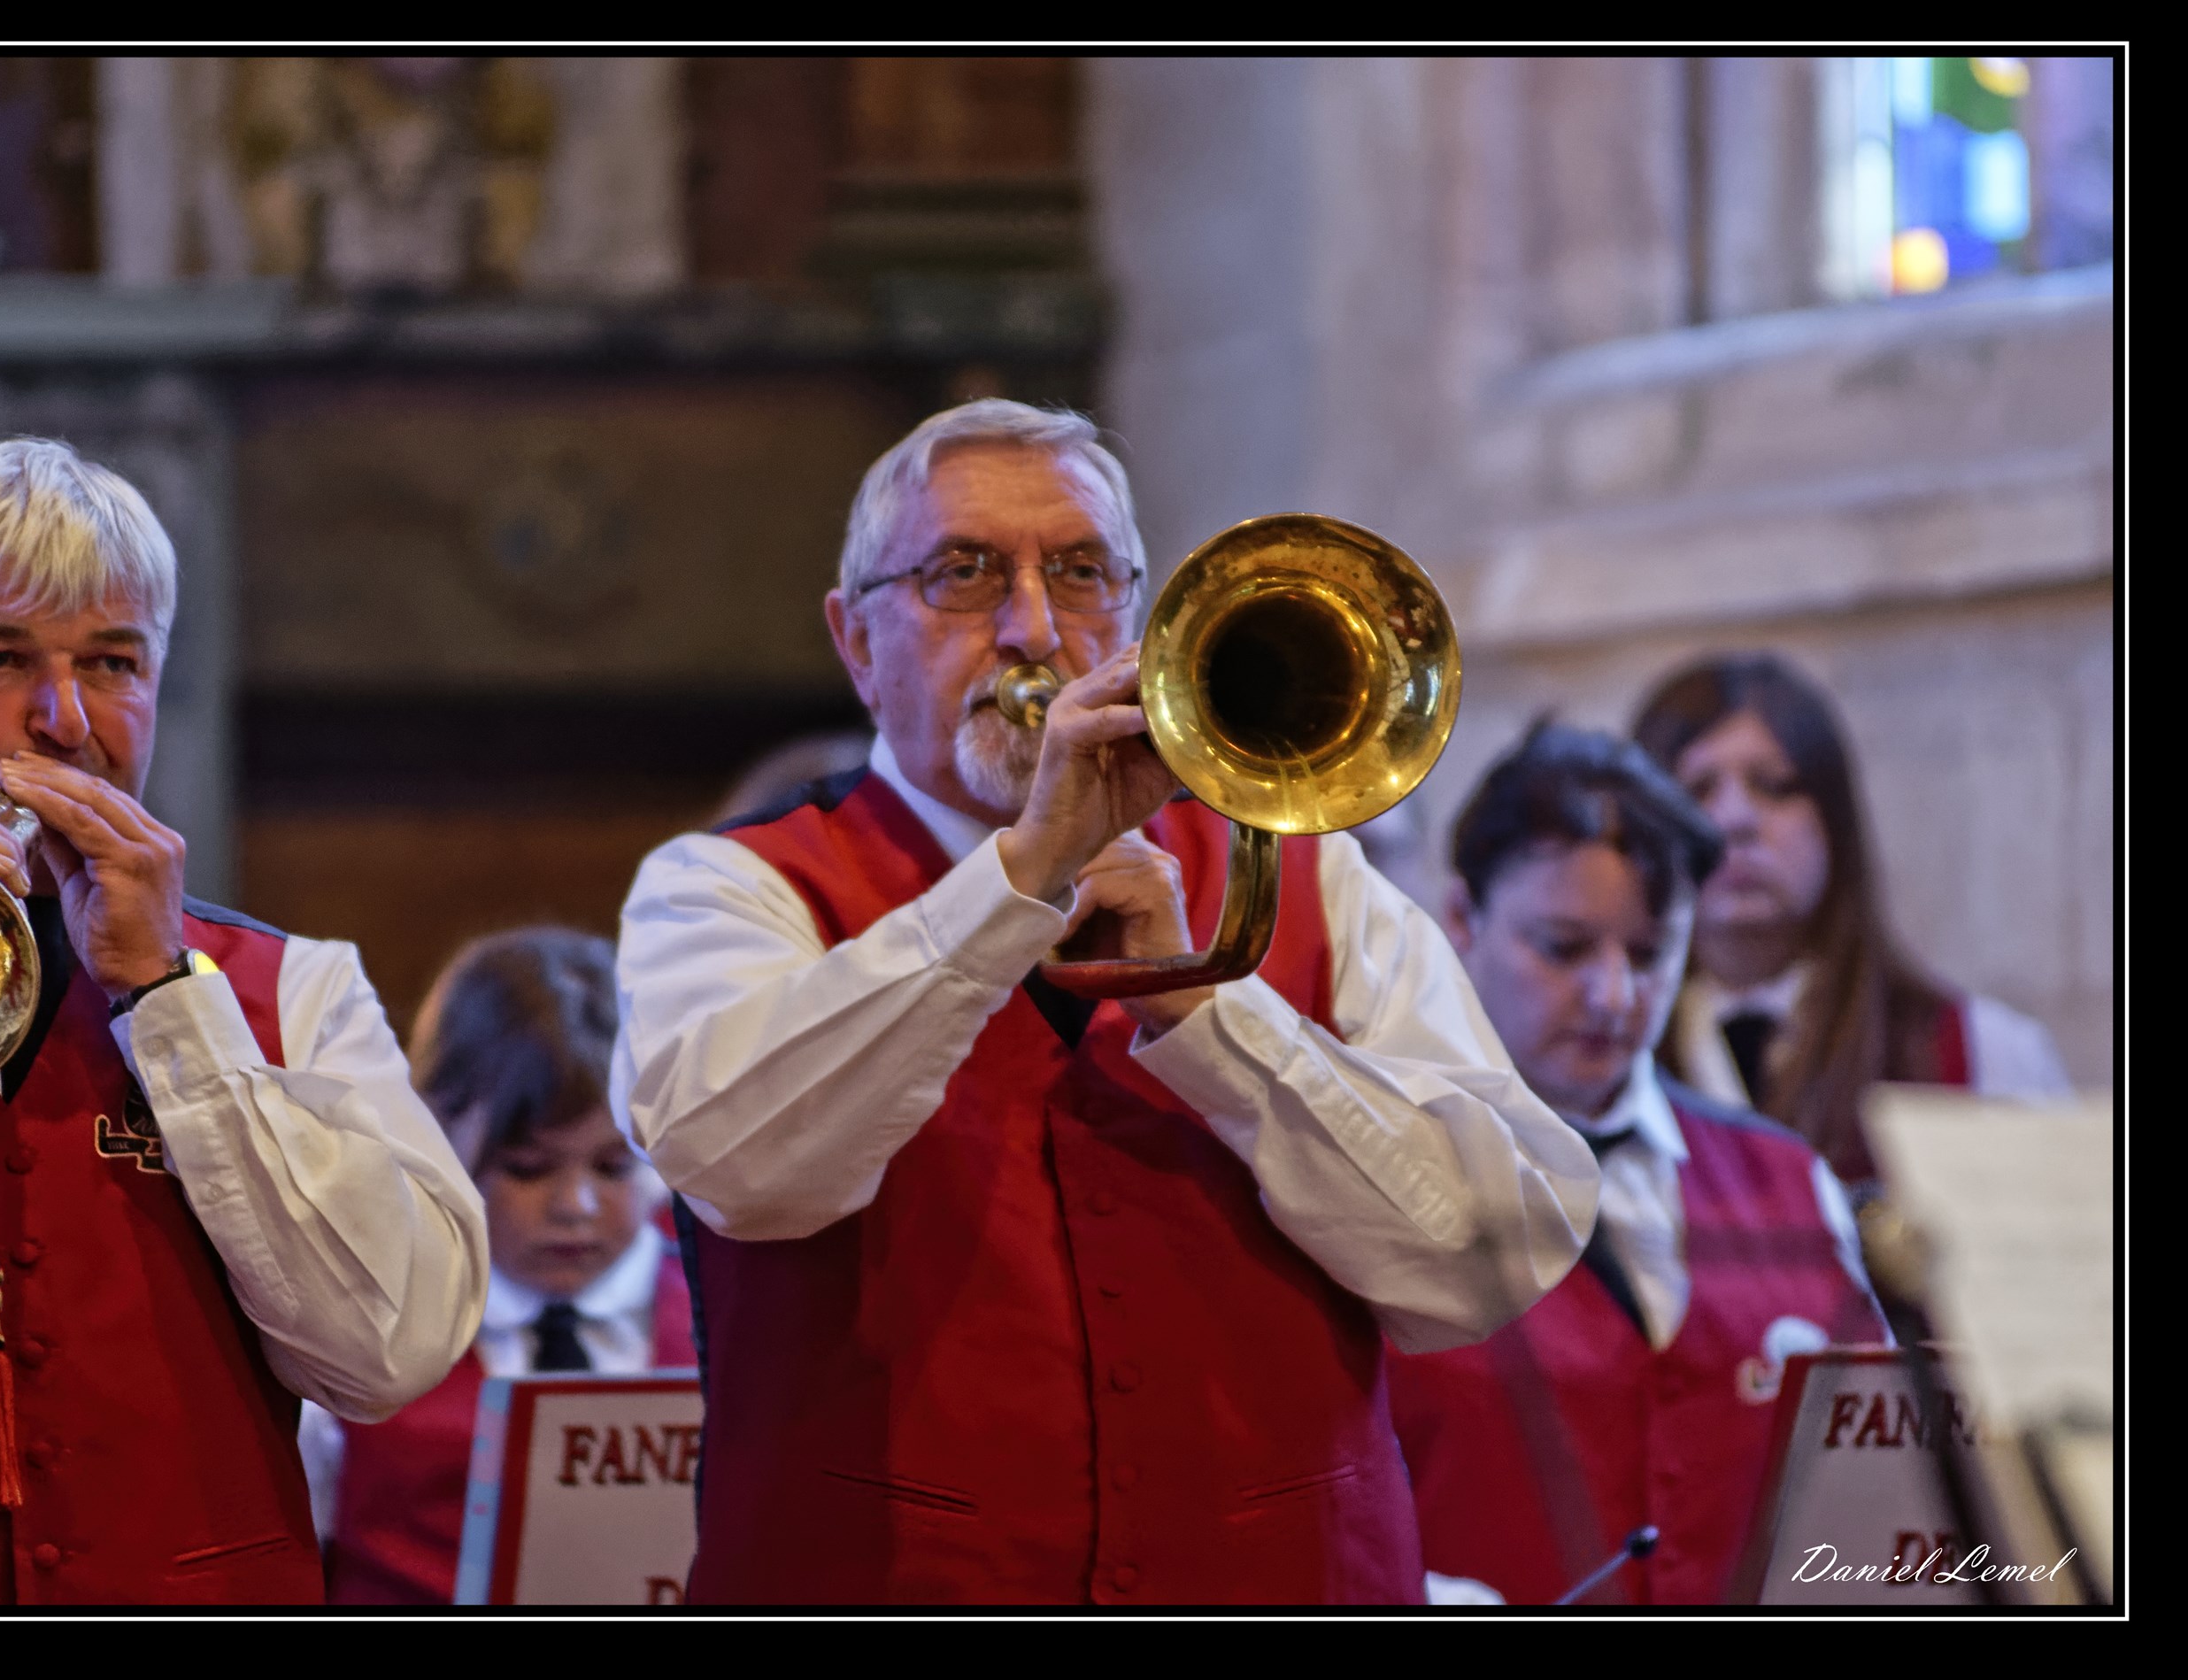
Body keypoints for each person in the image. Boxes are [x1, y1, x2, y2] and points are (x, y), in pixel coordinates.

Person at [609, 398, 1597, 1606]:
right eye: (962, 575)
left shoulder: (1309, 873)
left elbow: (1489, 1264)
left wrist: (1207, 1015)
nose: (1034, 631)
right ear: (856, 643)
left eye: (1081, 574)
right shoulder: (727, 887)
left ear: (1136, 614)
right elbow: (744, 1165)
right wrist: (1018, 880)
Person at [0, 439, 489, 1605]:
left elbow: (389, 1353)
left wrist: (170, 1000)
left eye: (113, 663)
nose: (64, 719)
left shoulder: (296, 983)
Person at [1386, 723, 1889, 1607]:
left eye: (1652, 954)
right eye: (1565, 946)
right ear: (1461, 919)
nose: (1614, 995)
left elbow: (1882, 1488)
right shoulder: (1368, 1176)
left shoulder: (1791, 1182)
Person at [304, 927, 694, 1604]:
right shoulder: (352, 1333)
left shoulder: (728, 1319)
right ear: (432, 1129)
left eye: (613, 1166)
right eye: (529, 1167)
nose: (576, 1205)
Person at [1632, 655, 2071, 1186]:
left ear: (1835, 824)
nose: (1735, 820)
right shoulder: (1607, 1057)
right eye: (1697, 789)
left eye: (1773, 785)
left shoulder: (1986, 1057)